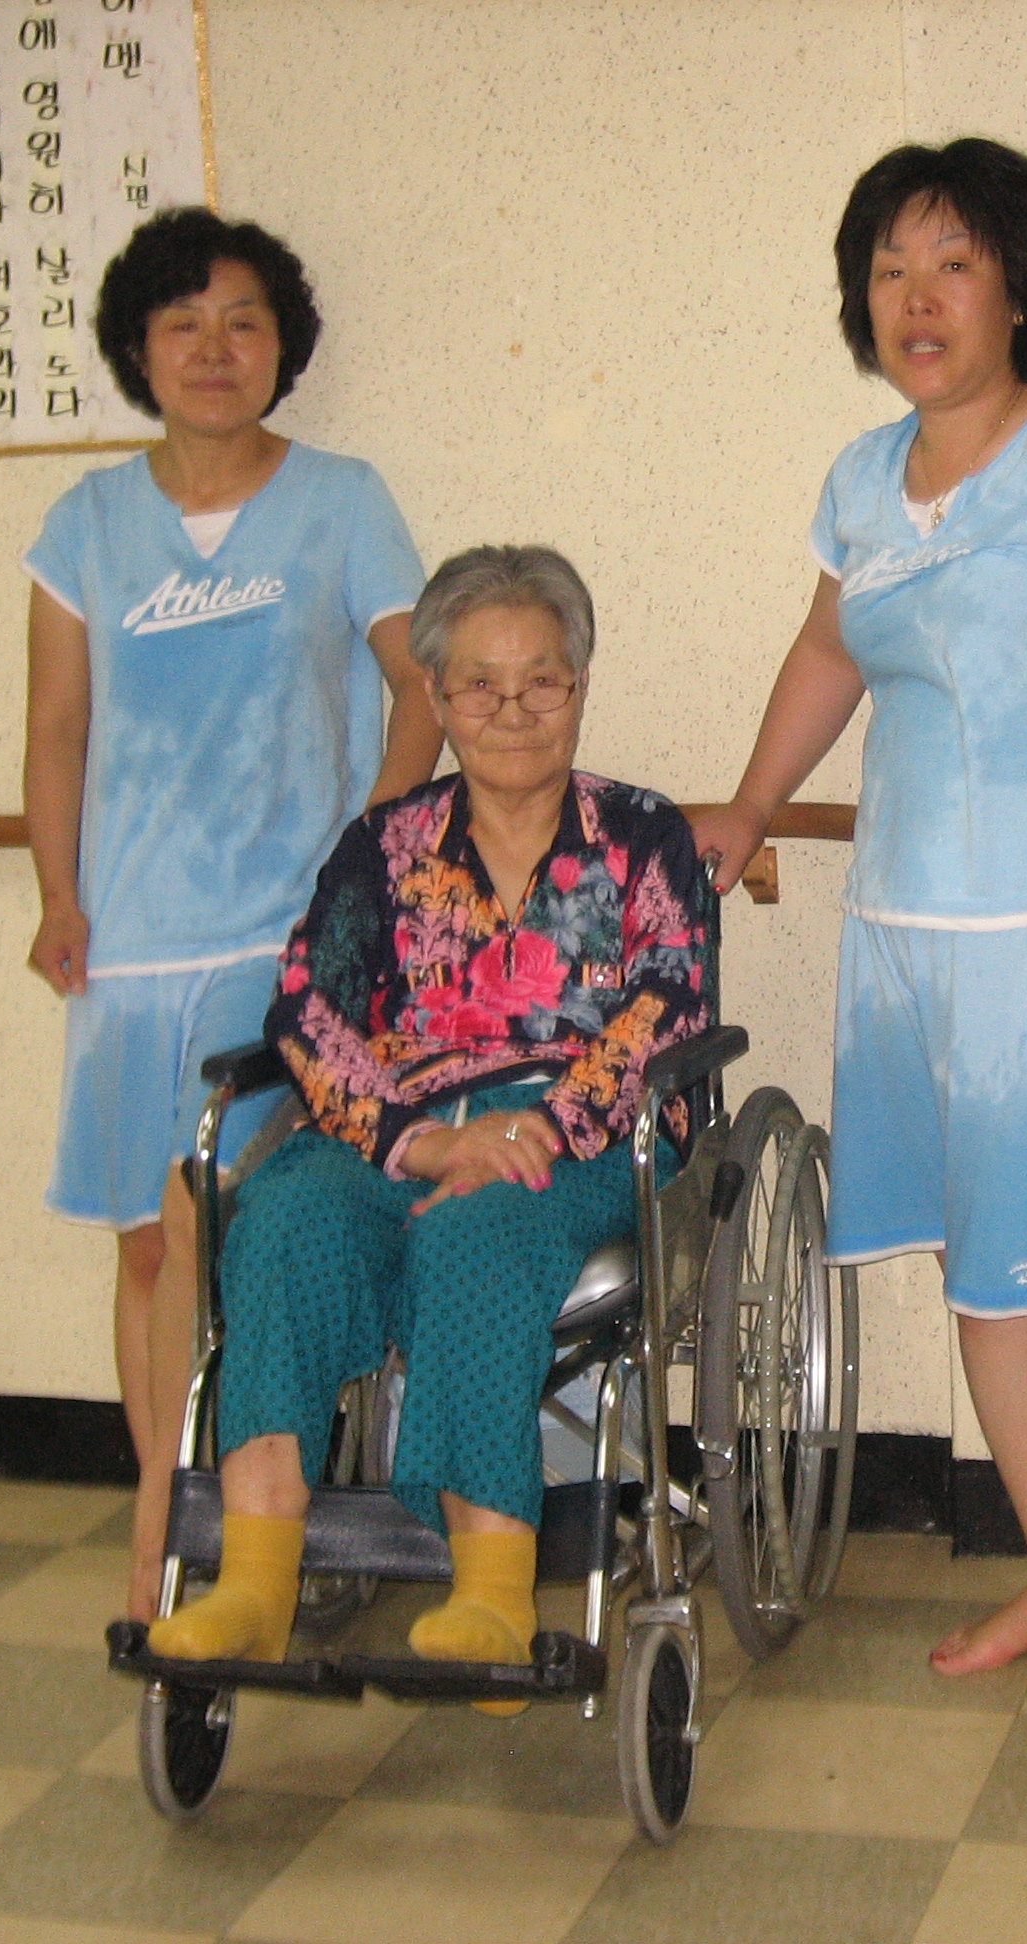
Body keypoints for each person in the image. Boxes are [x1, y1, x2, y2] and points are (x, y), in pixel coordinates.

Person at [688, 138, 1027, 1778]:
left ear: (1016, 290)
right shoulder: (865, 481)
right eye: (889, 270)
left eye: (951, 265)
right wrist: (748, 804)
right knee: (984, 1285)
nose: (916, 300)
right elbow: (827, 649)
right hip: (904, 937)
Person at [146, 545, 710, 1706]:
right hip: (400, 1128)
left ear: (580, 685)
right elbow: (306, 1011)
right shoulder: (385, 847)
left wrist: (538, 1129)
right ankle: (254, 1576)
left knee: (474, 1238)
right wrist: (423, 1138)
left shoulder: (643, 837)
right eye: (480, 687)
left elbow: (666, 1009)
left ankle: (494, 1594)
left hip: (578, 1139)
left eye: (541, 682)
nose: (513, 712)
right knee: (284, 1220)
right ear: (440, 699)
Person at [22, 207, 439, 1623]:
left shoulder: (343, 500)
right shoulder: (86, 524)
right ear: (139, 349)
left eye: (243, 322)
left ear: (283, 346)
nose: (215, 350)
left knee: (217, 1220)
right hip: (127, 944)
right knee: (144, 1247)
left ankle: (185, 1523)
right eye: (184, 324)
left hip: (280, 941)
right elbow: (58, 725)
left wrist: (369, 853)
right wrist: (57, 893)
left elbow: (422, 682)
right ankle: (174, 1505)